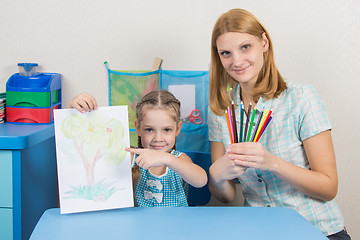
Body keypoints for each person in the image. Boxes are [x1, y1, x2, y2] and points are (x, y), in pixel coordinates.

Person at [207, 9, 350, 239]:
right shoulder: (221, 110)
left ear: (263, 42)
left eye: (245, 47)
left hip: (317, 230)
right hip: (259, 232)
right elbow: (224, 195)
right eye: (226, 53)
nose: (237, 61)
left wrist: (271, 163)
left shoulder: (302, 97)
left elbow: (328, 187)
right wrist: (216, 175)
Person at [69, 90, 208, 207]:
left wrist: (167, 158)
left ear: (177, 129)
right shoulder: (130, 157)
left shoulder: (179, 160)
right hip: (140, 230)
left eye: (166, 130)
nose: (158, 138)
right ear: (138, 128)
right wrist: (73, 110)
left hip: (176, 230)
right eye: (149, 130)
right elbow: (90, 146)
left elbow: (201, 180)